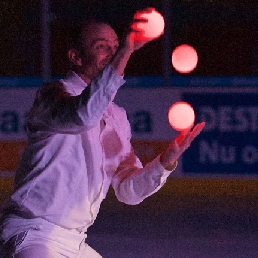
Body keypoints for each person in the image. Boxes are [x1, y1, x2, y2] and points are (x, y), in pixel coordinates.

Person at [0, 12, 205, 258]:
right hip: (32, 233)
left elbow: (129, 190)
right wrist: (126, 51)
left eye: (116, 47)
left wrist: (165, 161)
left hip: (75, 242)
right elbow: (83, 115)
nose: (112, 53)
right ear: (76, 57)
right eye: (101, 47)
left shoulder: (117, 117)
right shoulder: (53, 96)